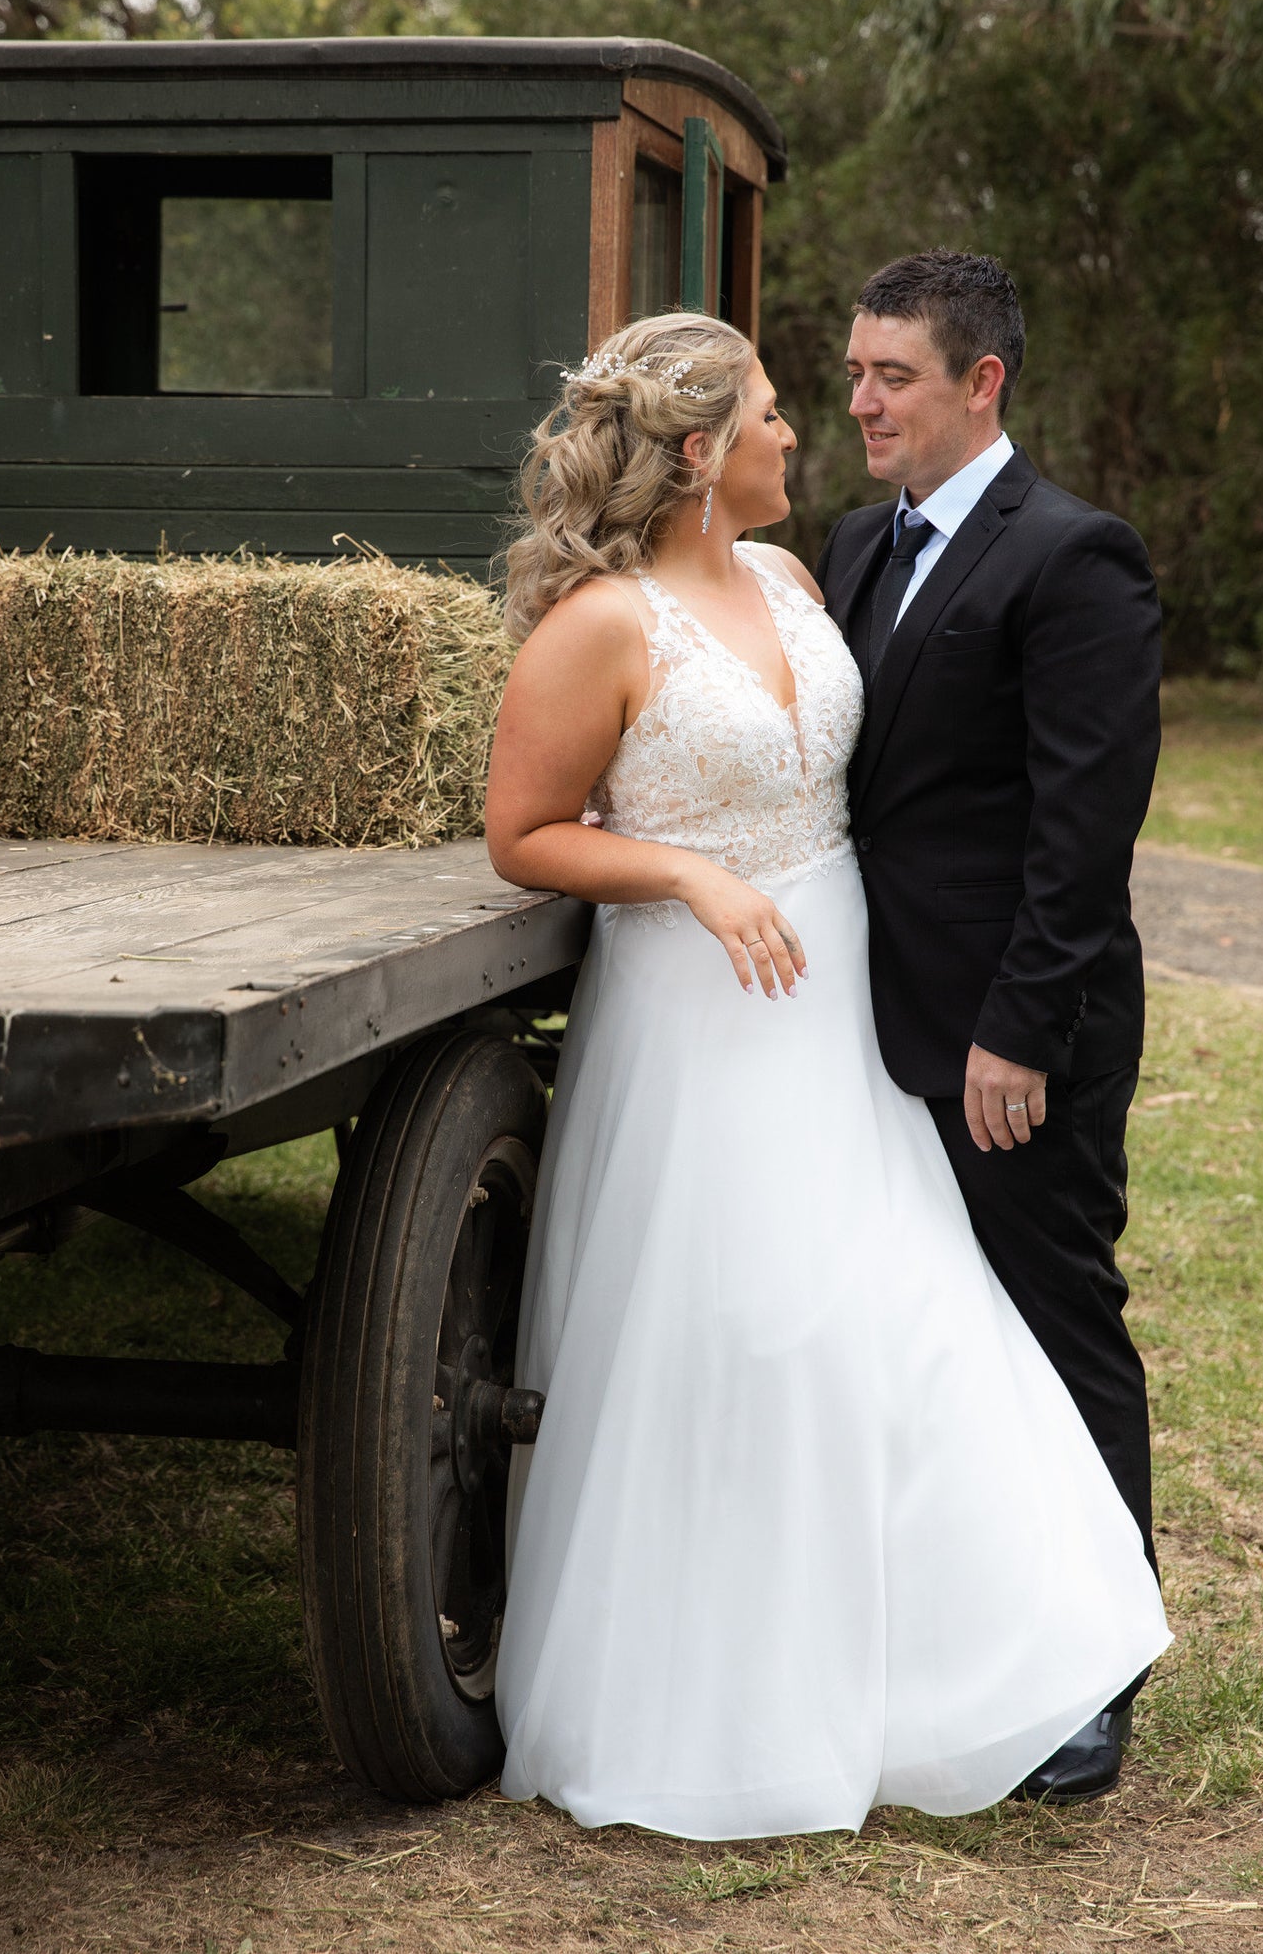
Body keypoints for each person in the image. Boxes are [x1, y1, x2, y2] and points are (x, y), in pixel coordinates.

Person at [485, 310, 1167, 1841]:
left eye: (853, 387)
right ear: (695, 449)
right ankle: (721, 1685)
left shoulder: (803, 579)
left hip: (847, 1015)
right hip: (703, 1012)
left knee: (916, 1313)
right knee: (744, 1331)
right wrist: (688, 877)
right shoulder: (602, 625)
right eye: (780, 410)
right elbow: (522, 830)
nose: (808, 428)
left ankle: (1009, 1653)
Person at [817, 249, 1164, 1802]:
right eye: (851, 370)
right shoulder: (849, 544)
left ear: (981, 384)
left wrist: (1018, 1032)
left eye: (893, 374)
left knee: (1050, 1320)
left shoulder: (1072, 559)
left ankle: (1096, 1673)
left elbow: (1081, 833)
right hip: (866, 1022)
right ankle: (964, 1631)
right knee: (931, 1338)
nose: (859, 399)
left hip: (1016, 1032)